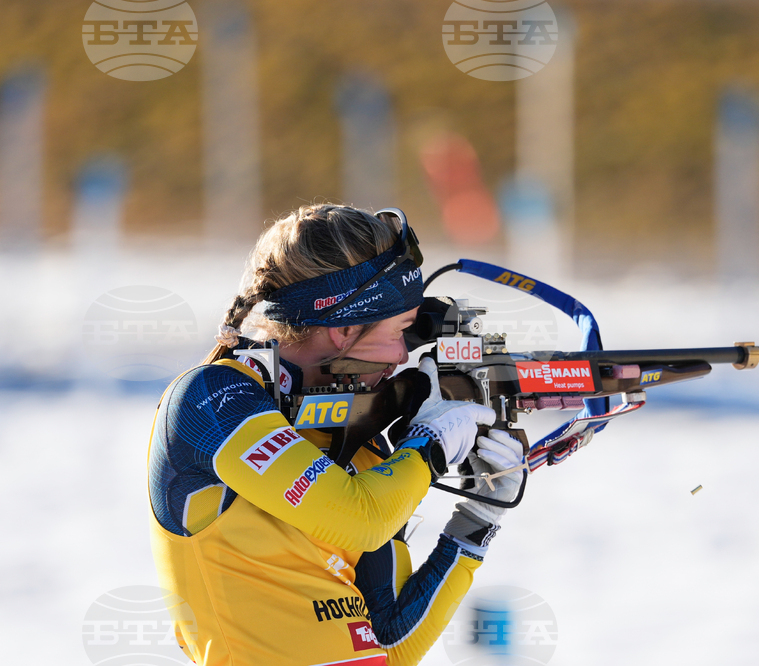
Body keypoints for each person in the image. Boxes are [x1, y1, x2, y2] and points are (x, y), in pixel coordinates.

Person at [147, 204, 526, 666]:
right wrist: (428, 445)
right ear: (344, 328)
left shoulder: (358, 439)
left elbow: (393, 644)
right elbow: (360, 520)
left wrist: (477, 518)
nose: (402, 356)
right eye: (401, 331)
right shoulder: (212, 398)